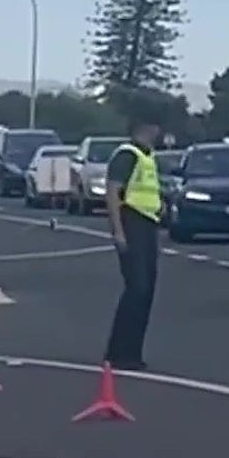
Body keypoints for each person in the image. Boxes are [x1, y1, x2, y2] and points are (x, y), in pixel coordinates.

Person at [102, 117, 163, 370]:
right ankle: (118, 352)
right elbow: (113, 192)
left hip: (149, 224)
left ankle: (132, 352)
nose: (158, 131)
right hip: (132, 222)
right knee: (136, 288)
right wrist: (118, 231)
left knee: (146, 290)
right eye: (155, 126)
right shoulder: (126, 155)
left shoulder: (148, 156)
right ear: (145, 128)